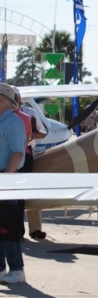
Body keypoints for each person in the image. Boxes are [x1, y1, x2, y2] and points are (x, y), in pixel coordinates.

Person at [0, 83, 27, 284]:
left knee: (9, 226)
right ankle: (1, 268)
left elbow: (18, 153)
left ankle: (16, 269)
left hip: (7, 177)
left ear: (5, 101)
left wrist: (7, 177)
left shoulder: (13, 122)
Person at [15, 88, 47, 239]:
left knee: (29, 189)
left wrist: (29, 135)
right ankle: (15, 230)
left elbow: (43, 132)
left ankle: (35, 229)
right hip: (10, 154)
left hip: (27, 153)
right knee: (14, 195)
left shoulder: (30, 113)